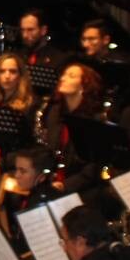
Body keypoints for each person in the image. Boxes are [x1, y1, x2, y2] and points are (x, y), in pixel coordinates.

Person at [39, 61, 108, 195]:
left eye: (71, 76)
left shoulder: (95, 119)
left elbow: (93, 166)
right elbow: (49, 149)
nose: (63, 78)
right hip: (52, 179)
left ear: (84, 84)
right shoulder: (54, 111)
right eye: (63, 75)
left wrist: (66, 185)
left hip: (81, 187)